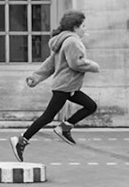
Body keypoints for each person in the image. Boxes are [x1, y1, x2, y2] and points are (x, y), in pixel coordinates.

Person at [13, 10, 100, 159]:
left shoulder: (62, 40)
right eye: (83, 26)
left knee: (90, 106)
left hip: (68, 86)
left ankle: (64, 128)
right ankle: (21, 140)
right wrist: (93, 66)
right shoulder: (72, 41)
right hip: (66, 86)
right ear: (75, 27)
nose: (85, 29)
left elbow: (50, 63)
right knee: (47, 117)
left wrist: (36, 77)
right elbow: (76, 63)